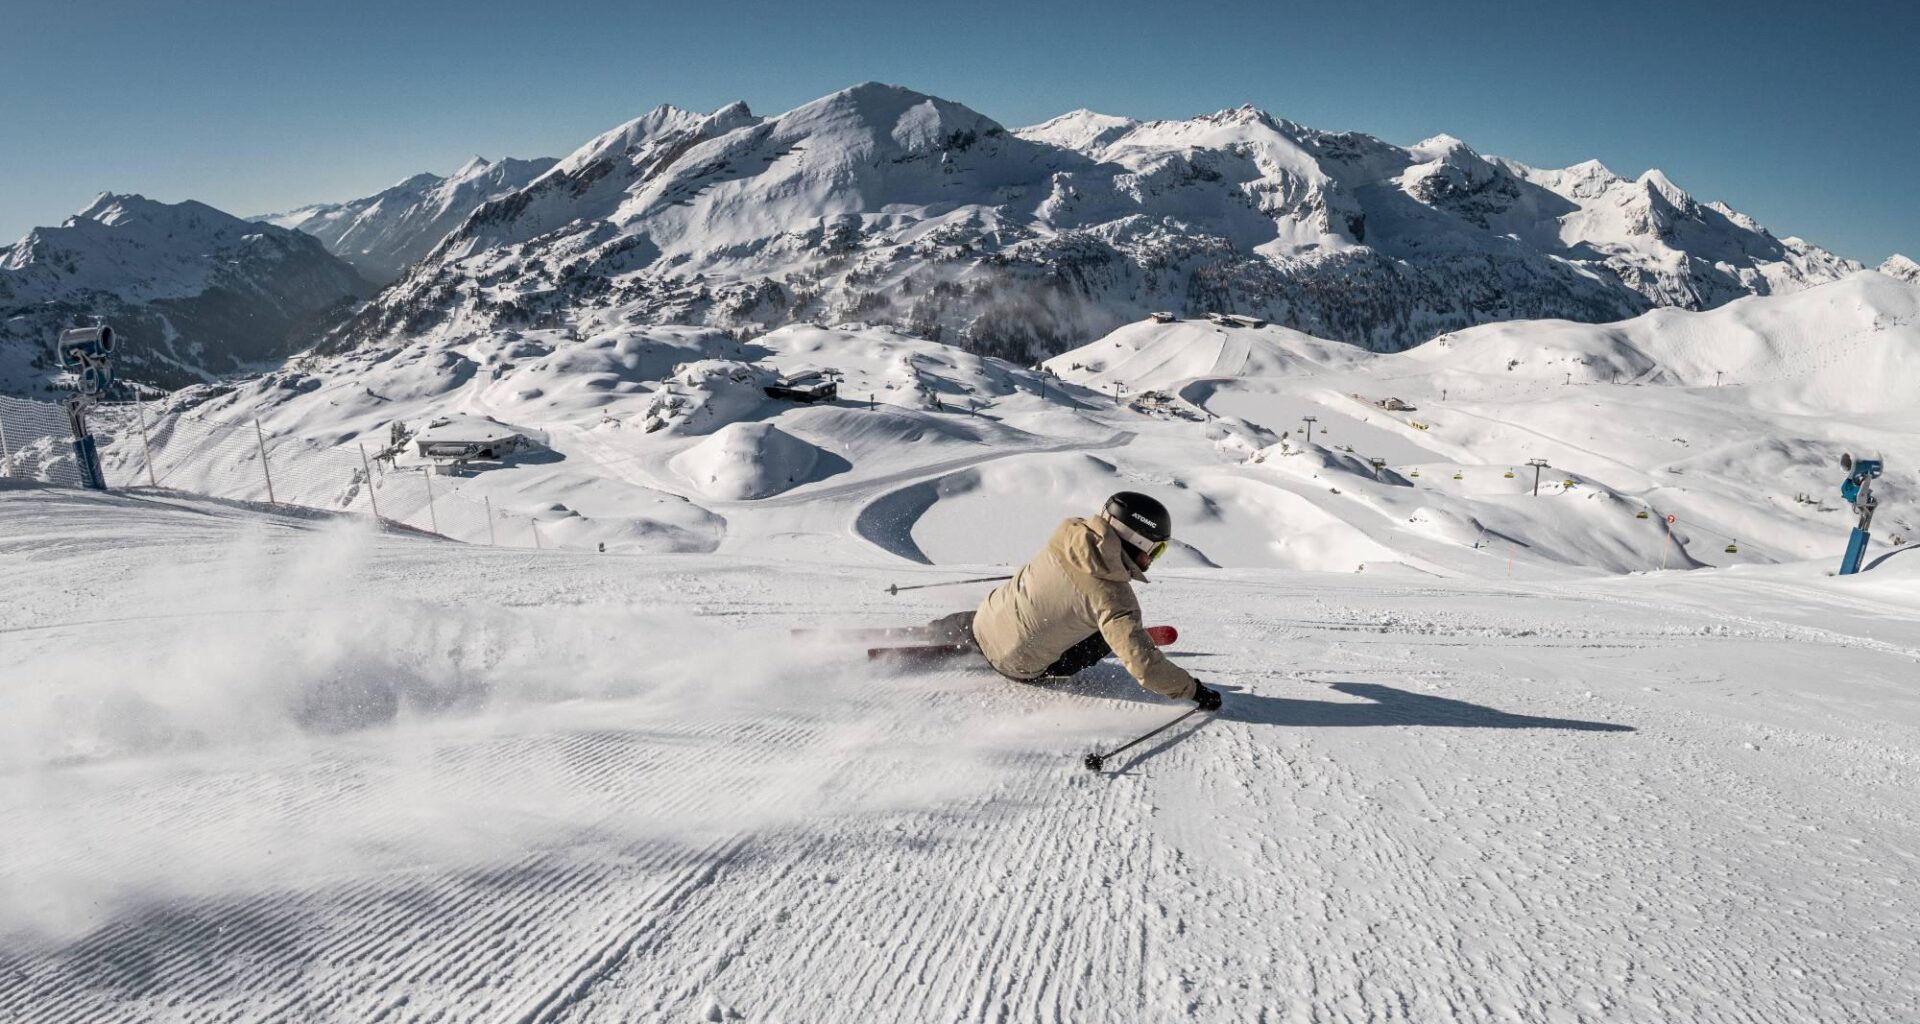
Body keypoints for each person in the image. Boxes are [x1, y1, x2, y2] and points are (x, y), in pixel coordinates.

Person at [931, 492, 1222, 710]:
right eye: (1156, 551)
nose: (1153, 560)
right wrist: (1194, 690)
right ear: (1138, 542)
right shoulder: (1115, 600)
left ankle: (931, 630)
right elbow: (1145, 669)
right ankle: (1116, 638)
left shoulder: (1068, 532)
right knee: (1104, 633)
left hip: (985, 621)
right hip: (1018, 664)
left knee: (1001, 609)